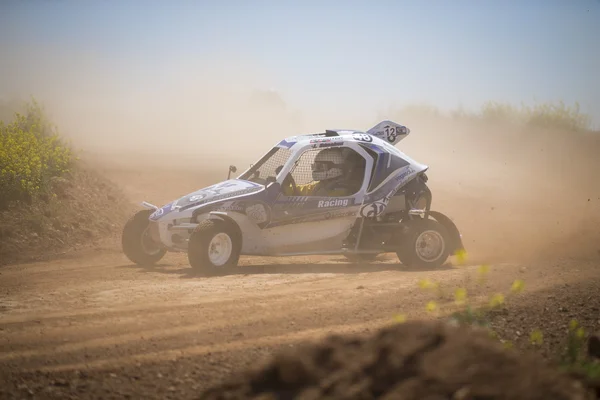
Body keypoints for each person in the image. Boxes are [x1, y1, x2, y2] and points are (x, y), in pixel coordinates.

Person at [283, 147, 364, 197]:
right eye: (315, 166)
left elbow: (313, 207)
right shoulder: (323, 184)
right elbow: (304, 190)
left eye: (320, 167)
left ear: (333, 167)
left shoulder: (342, 190)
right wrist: (285, 187)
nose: (316, 170)